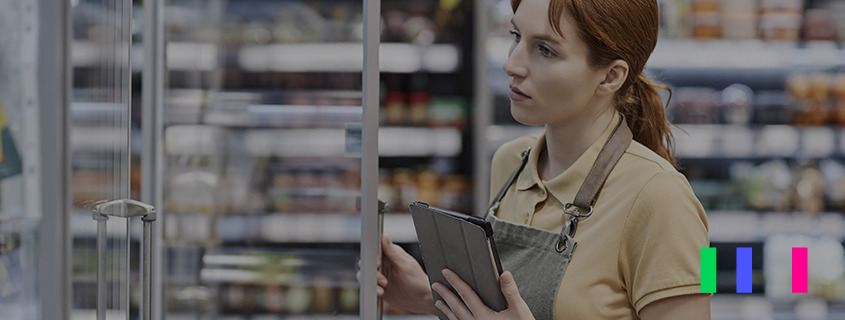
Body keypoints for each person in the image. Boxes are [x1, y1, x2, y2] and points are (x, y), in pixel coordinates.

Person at [377, 0, 710, 318]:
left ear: (610, 77)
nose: (511, 64)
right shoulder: (510, 163)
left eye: (546, 50)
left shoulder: (662, 197)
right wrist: (428, 293)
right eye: (516, 37)